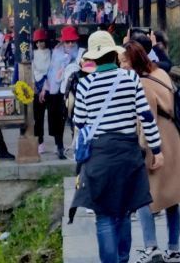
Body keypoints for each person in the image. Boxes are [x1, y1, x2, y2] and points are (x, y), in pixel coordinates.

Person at [69, 31, 163, 263]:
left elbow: (79, 122)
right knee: (123, 212)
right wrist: (157, 150)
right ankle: (122, 258)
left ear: (93, 58)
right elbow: (146, 117)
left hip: (99, 156)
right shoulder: (130, 79)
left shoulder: (84, 85)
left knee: (103, 216)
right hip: (127, 155)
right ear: (113, 53)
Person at [121, 40, 180, 263]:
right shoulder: (161, 73)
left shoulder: (143, 84)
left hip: (159, 141)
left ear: (134, 61)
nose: (123, 66)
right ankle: (174, 249)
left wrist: (145, 149)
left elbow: (146, 120)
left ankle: (151, 247)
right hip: (177, 137)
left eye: (125, 62)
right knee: (172, 197)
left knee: (144, 196)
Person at [40, 26, 84, 160]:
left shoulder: (81, 53)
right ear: (63, 41)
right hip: (56, 90)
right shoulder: (56, 53)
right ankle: (59, 146)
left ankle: (76, 146)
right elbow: (50, 71)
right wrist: (44, 88)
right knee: (56, 119)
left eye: (72, 41)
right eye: (67, 41)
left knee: (75, 119)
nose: (70, 44)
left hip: (74, 90)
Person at [32, 28, 52, 155]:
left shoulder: (51, 53)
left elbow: (51, 70)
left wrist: (45, 87)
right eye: (38, 41)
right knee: (37, 118)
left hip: (49, 86)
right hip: (36, 87)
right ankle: (40, 142)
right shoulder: (32, 54)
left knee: (52, 116)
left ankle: (57, 143)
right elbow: (32, 70)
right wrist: (34, 86)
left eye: (42, 41)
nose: (40, 43)